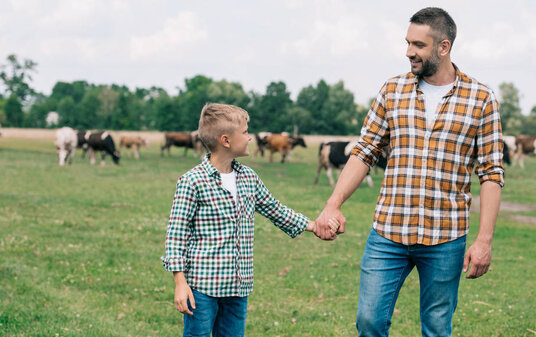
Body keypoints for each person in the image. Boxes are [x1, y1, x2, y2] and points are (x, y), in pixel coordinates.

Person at [314, 7, 504, 337]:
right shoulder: (392, 91)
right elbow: (364, 151)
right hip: (388, 232)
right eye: (407, 43)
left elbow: (491, 173)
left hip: (446, 237)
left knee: (436, 328)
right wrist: (333, 203)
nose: (408, 52)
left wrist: (484, 240)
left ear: (443, 47)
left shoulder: (481, 98)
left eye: (418, 45)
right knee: (369, 321)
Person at [162, 103, 336, 337]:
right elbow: (176, 235)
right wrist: (180, 283)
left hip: (237, 287)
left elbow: (275, 209)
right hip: (201, 288)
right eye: (245, 132)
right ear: (226, 140)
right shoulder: (192, 181)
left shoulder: (248, 177)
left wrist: (313, 225)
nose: (250, 138)